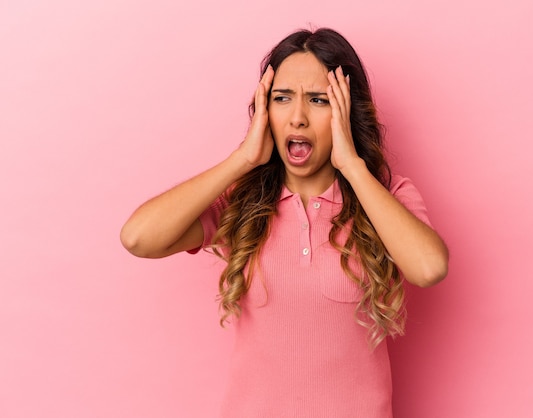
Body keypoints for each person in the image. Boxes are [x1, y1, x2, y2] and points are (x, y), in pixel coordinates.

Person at [120, 27, 448, 418]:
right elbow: (139, 238)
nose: (298, 117)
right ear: (264, 110)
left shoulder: (386, 196)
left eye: (318, 100)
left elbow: (429, 268)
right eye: (282, 98)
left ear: (346, 110)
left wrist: (353, 168)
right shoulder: (241, 203)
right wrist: (242, 159)